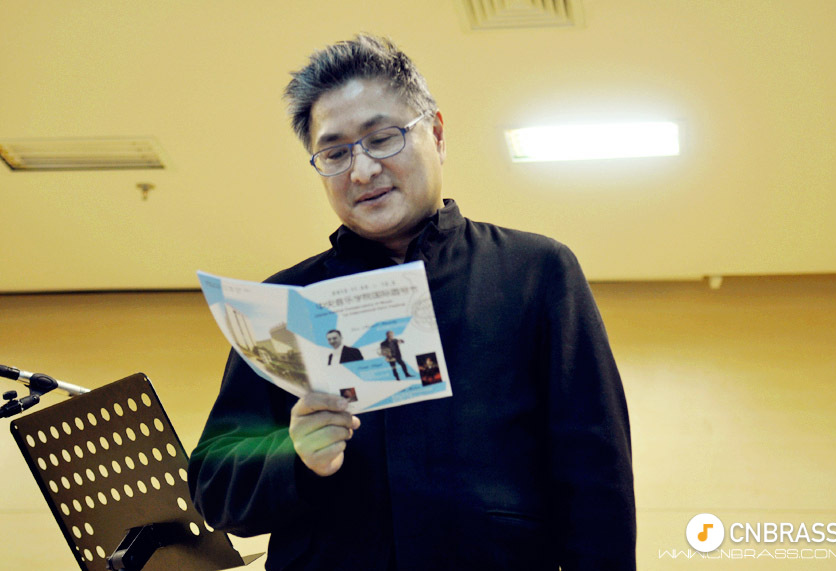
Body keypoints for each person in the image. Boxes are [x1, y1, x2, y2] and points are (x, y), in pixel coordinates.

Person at [189, 34, 635, 570]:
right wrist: (294, 455)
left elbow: (596, 477)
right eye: (335, 153)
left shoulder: (534, 271)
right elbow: (213, 486)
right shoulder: (283, 304)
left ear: (437, 134)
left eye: (382, 139)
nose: (361, 171)